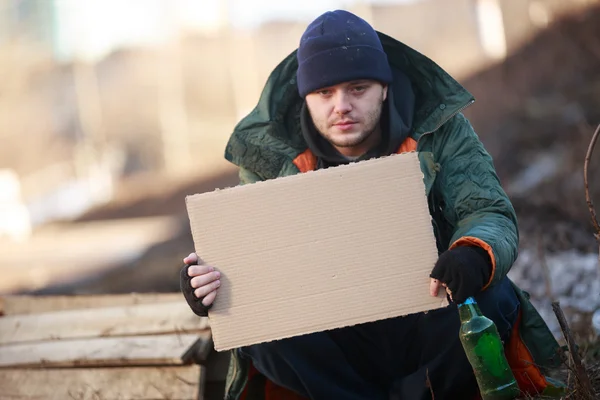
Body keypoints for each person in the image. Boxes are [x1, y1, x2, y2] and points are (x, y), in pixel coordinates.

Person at [180, 9, 563, 400]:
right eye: (324, 93)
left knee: (491, 296)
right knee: (261, 329)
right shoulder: (270, 157)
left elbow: (487, 210)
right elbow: (252, 260)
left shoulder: (438, 130)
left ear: (384, 87)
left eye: (357, 88)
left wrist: (471, 253)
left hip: (429, 312)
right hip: (335, 339)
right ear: (305, 98)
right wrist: (209, 286)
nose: (341, 105)